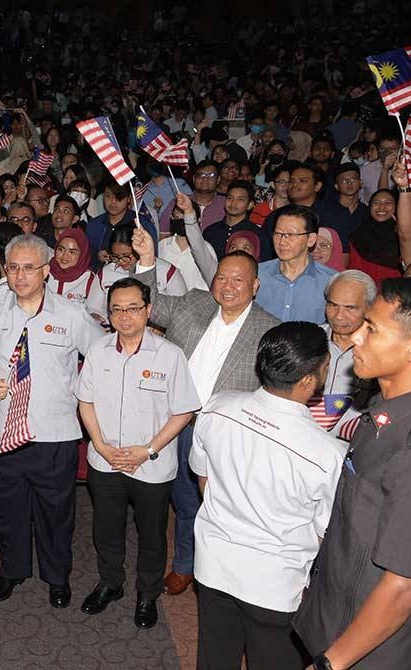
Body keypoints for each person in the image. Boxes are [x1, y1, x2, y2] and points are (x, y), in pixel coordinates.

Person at [295, 278, 411, 670]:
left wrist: (330, 663)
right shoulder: (382, 409)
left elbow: (405, 585)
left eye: (372, 328)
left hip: (374, 653)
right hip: (337, 618)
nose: (355, 336)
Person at [130, 222, 280, 596]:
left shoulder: (269, 330)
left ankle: (214, 569)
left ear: (255, 286)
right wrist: (146, 259)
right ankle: (186, 563)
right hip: (174, 420)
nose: (228, 286)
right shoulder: (195, 302)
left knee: (214, 503)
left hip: (225, 430)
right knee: (181, 498)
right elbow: (149, 305)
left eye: (238, 280)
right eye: (222, 278)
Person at [191, 321, 344, 669]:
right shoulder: (327, 453)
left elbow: (203, 479)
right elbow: (324, 533)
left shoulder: (217, 407)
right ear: (309, 380)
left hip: (214, 562)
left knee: (214, 658)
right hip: (275, 584)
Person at [0, 234, 103, 607]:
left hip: (54, 432)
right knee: (6, 508)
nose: (20, 276)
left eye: (29, 268)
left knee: (55, 513)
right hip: (0, 429)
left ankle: (56, 577)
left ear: (46, 271)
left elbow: (100, 358)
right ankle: (12, 570)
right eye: (13, 267)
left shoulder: (72, 314)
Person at [76, 277, 199, 626]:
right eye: (117, 309)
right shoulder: (98, 351)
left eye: (133, 308)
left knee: (152, 534)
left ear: (148, 310)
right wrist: (98, 445)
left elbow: (184, 410)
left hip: (152, 465)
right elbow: (85, 401)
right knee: (106, 529)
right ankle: (110, 583)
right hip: (106, 460)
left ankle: (147, 593)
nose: (125, 316)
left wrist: (148, 450)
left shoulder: (170, 354)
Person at [311, 271, 377, 431]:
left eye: (350, 308)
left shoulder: (379, 352)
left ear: (370, 308)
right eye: (333, 305)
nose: (339, 316)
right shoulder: (308, 340)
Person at [256, 204, 337, 323]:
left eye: (291, 235)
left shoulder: (331, 282)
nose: (282, 241)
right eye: (278, 233)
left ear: (311, 239)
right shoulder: (257, 273)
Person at [49, 228, 106, 323]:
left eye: (72, 252)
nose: (64, 256)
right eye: (61, 249)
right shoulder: (43, 272)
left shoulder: (89, 279)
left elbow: (94, 310)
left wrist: (94, 317)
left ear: (82, 254)